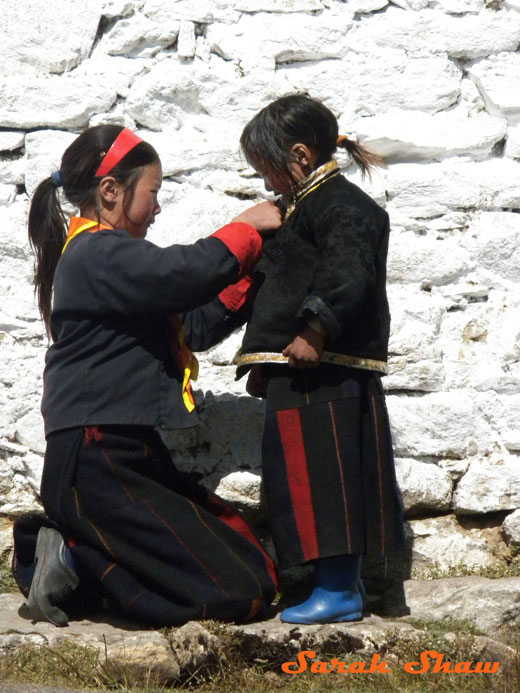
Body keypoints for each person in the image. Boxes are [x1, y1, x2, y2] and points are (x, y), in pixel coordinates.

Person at [11, 124, 281, 627]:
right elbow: (182, 274)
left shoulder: (117, 265)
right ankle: (69, 557)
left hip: (125, 452)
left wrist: (257, 269)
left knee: (255, 571)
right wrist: (245, 228)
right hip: (95, 458)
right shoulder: (95, 252)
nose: (157, 208)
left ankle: (72, 556)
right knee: (232, 594)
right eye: (153, 193)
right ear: (111, 191)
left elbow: (193, 323)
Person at [234, 94, 404, 625]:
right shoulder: (307, 205)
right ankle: (326, 584)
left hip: (324, 372)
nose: (267, 186)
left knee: (328, 482)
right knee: (300, 483)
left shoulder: (342, 206)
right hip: (301, 375)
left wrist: (314, 329)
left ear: (301, 157)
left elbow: (347, 273)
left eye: (268, 172)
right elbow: (281, 287)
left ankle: (341, 590)